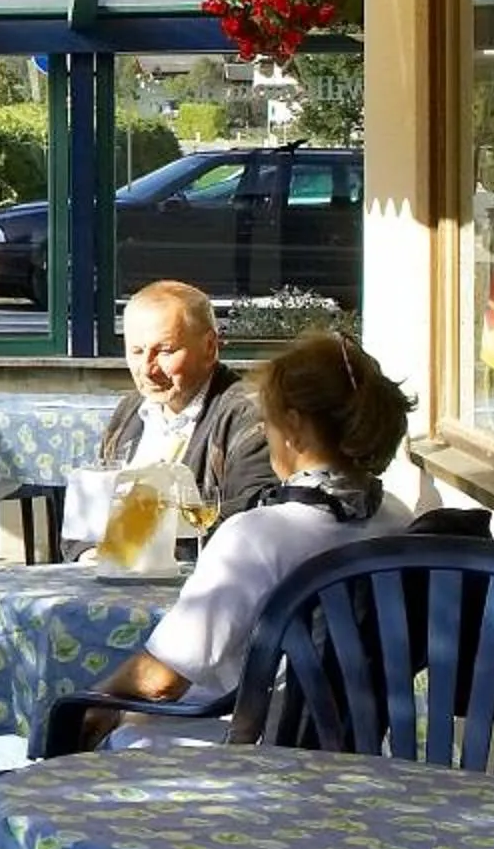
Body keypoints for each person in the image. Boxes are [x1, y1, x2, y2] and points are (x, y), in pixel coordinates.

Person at [72, 330, 415, 745]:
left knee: (99, 725)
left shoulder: (258, 537)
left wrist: (94, 699)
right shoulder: (397, 517)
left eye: (266, 420)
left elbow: (162, 680)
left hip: (257, 751)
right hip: (359, 744)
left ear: (292, 425)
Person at [98, 281, 276, 519]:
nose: (147, 369)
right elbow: (93, 503)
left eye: (165, 351)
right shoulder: (130, 410)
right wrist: (86, 552)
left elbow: (252, 512)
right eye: (137, 351)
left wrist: (152, 535)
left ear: (209, 348)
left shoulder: (247, 415)